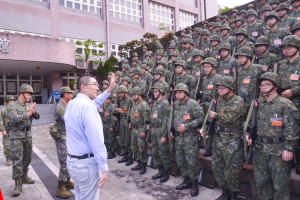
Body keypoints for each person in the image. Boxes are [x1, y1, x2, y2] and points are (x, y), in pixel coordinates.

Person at [246, 72, 299, 200]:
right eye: (261, 85)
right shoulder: (258, 104)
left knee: (280, 186)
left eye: (267, 84)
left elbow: (293, 128)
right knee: (262, 183)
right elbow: (251, 123)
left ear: (275, 86)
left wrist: (289, 148)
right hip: (260, 149)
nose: (263, 87)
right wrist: (249, 135)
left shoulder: (285, 104)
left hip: (278, 151)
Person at [65, 73, 116, 200]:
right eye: (94, 84)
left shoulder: (72, 103)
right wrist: (104, 167)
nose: (97, 88)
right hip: (86, 165)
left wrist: (109, 90)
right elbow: (96, 141)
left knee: (81, 196)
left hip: (74, 163)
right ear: (83, 87)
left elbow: (95, 103)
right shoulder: (88, 108)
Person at [201, 76, 246, 200]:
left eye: (222, 87)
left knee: (232, 171)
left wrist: (216, 115)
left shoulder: (238, 101)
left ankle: (233, 194)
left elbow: (230, 117)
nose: (219, 90)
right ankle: (225, 191)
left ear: (231, 88)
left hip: (233, 140)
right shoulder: (219, 101)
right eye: (218, 88)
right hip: (218, 139)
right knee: (218, 168)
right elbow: (211, 118)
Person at [171, 83, 204, 197]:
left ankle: (195, 184)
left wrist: (187, 126)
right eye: (176, 93)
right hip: (179, 138)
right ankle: (187, 180)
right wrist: (172, 129)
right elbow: (174, 119)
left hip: (190, 138)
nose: (178, 95)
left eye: (180, 93)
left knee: (192, 163)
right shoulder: (176, 104)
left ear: (185, 93)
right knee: (181, 161)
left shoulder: (192, 104)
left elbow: (200, 118)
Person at [6, 84, 40, 197]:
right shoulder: (12, 106)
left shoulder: (28, 105)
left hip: (27, 135)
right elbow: (13, 119)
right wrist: (28, 113)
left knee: (27, 158)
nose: (30, 96)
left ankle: (25, 176)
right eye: (28, 94)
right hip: (16, 136)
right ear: (21, 94)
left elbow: (37, 117)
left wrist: (34, 112)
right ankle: (17, 184)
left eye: (31, 94)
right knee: (17, 160)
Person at [51, 87, 74, 198]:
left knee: (69, 160)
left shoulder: (66, 105)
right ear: (66, 95)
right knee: (65, 161)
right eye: (71, 94)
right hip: (62, 137)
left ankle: (67, 182)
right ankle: (60, 187)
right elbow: (68, 120)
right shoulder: (60, 107)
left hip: (67, 137)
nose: (72, 96)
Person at [150, 83, 171, 183]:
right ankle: (160, 170)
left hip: (161, 131)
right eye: (153, 91)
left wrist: (164, 135)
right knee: (155, 152)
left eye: (155, 91)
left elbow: (167, 121)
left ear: (161, 92)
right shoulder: (155, 103)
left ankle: (166, 173)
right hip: (154, 131)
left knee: (163, 153)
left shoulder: (165, 103)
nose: (154, 93)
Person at [129, 87, 150, 175]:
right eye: (132, 95)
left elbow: (147, 120)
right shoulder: (134, 104)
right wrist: (130, 122)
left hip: (141, 129)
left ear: (139, 94)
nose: (133, 97)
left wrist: (144, 131)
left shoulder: (144, 105)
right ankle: (139, 163)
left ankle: (143, 165)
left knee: (142, 148)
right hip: (134, 129)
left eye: (134, 95)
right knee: (135, 147)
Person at [0, 95, 15, 166]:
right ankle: (8, 158)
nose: (12, 102)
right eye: (10, 101)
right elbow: (0, 121)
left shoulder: (16, 110)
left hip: (15, 131)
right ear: (7, 102)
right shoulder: (3, 111)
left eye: (13, 101)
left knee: (16, 145)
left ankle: (15, 158)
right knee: (7, 145)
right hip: (7, 131)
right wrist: (3, 130)